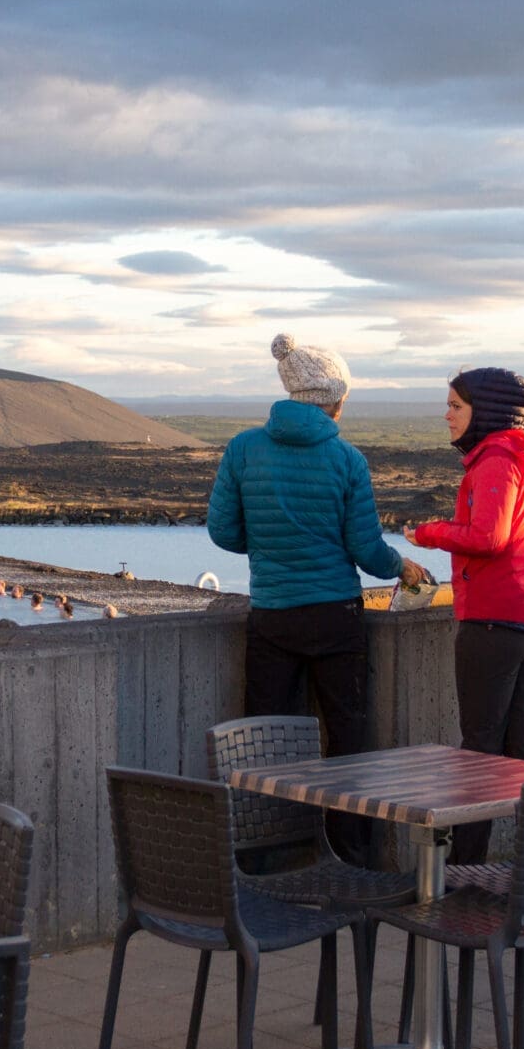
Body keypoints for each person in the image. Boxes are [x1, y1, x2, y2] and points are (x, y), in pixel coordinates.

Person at [208, 333, 427, 866]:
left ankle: (264, 859)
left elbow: (222, 532)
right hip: (336, 617)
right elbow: (365, 549)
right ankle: (349, 857)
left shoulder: (243, 448)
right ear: (333, 399)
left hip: (273, 616)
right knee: (347, 738)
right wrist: (404, 566)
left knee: (264, 739)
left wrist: (265, 545)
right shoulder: (347, 458)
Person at [407, 368, 524, 866]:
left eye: (455, 406)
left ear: (486, 411)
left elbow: (488, 538)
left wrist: (428, 533)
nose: (447, 415)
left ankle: (464, 871)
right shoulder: (523, 459)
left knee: (479, 752)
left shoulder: (495, 461)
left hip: (495, 621)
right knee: (521, 752)